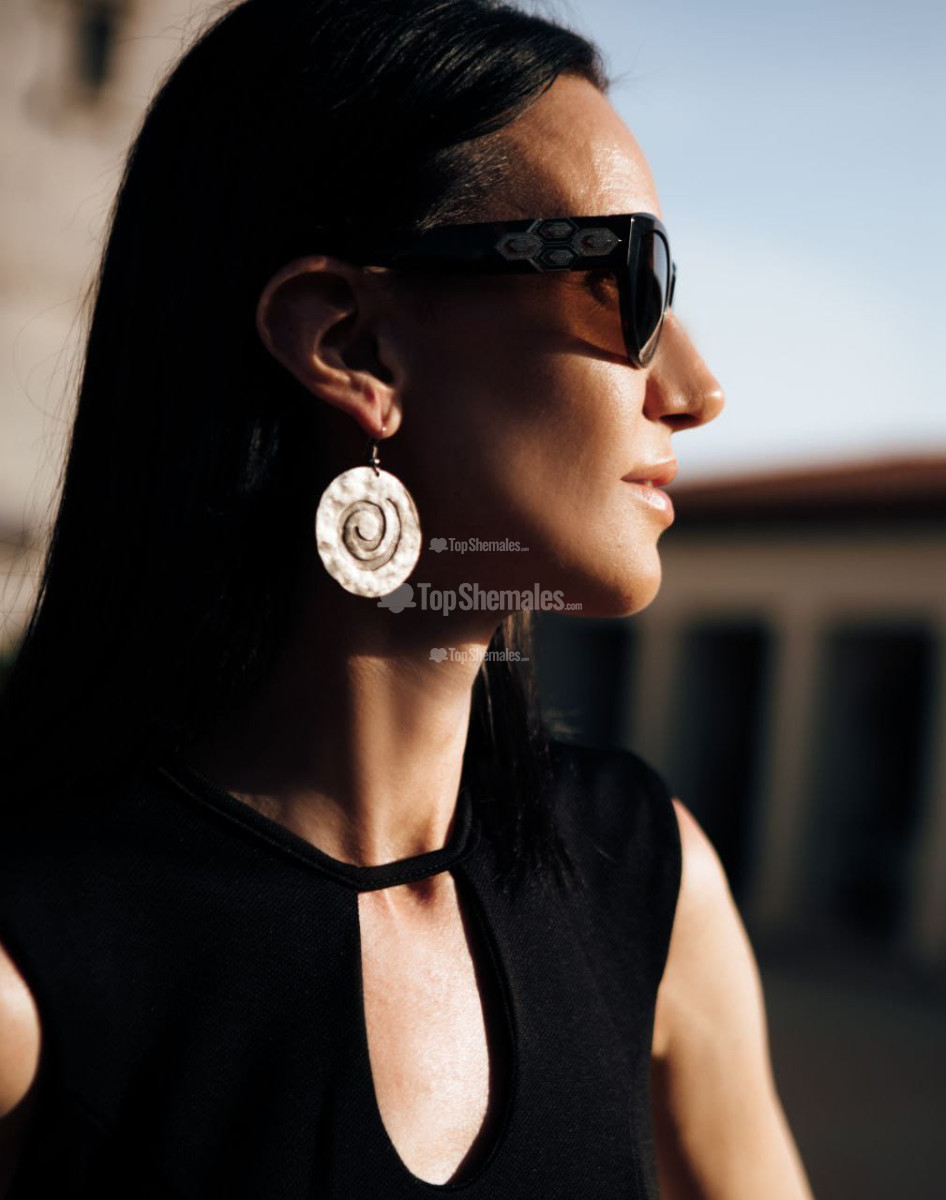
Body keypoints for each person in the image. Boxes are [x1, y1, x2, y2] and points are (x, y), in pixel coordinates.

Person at [0, 1, 815, 1196]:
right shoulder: (30, 962)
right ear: (351, 345)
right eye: (626, 278)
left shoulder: (650, 878)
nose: (695, 389)